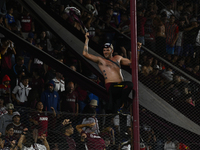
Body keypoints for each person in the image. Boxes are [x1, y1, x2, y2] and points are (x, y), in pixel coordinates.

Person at [83, 32, 133, 113]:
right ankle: (118, 106)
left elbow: (132, 63)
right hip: (112, 86)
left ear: (112, 50)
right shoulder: (101, 60)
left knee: (128, 86)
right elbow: (85, 54)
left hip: (120, 85)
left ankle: (118, 107)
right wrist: (86, 40)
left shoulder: (118, 58)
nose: (105, 51)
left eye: (107, 50)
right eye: (104, 50)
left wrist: (136, 50)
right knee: (127, 86)